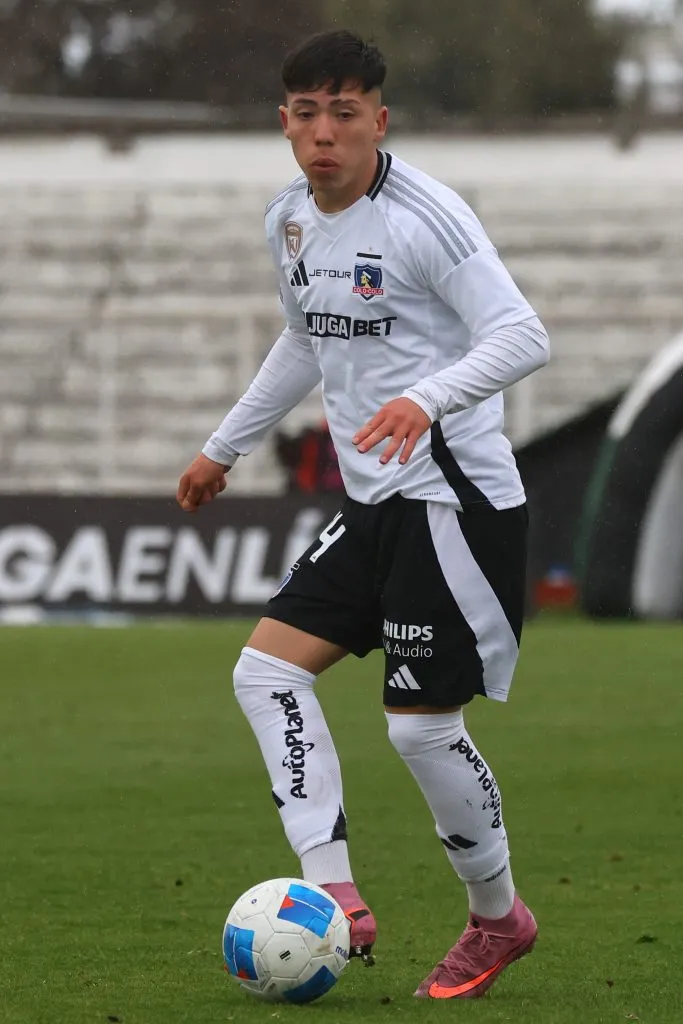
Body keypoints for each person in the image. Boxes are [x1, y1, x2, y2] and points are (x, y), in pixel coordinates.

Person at [177, 29, 549, 1000]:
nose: (322, 134)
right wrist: (225, 445)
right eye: (305, 114)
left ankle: (497, 918)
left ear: (378, 120)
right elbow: (302, 340)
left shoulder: (427, 217)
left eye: (343, 113)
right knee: (264, 671)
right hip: (371, 501)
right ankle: (330, 892)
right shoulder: (289, 221)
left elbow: (521, 333)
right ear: (284, 124)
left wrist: (425, 399)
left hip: (452, 502)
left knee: (420, 730)